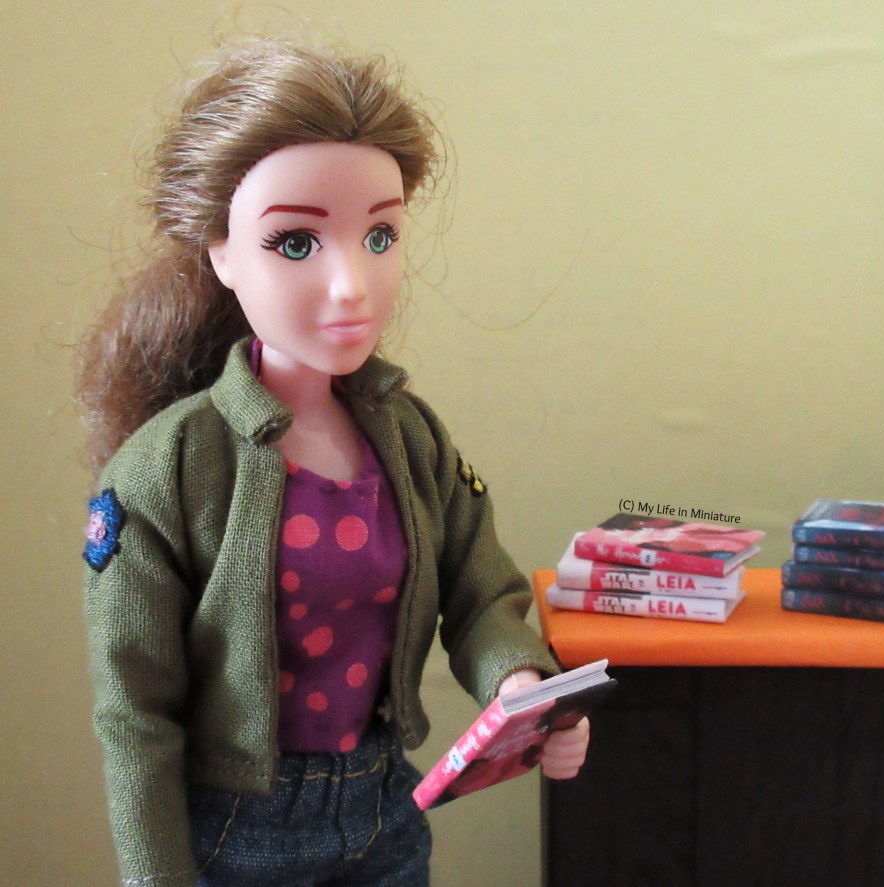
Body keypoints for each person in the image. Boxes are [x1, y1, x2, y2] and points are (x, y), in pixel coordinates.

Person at [77, 37, 589, 887]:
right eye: (297, 243)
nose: (353, 284)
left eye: (380, 234)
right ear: (221, 250)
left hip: (384, 808)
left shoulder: (410, 437)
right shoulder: (166, 471)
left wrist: (523, 689)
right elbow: (137, 717)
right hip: (239, 829)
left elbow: (479, 589)